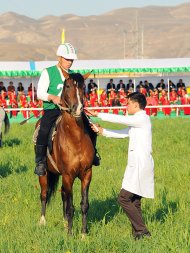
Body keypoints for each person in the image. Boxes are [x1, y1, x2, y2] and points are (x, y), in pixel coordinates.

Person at [86, 92, 154, 240]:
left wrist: (98, 113)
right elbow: (123, 133)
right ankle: (138, 235)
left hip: (140, 165)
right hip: (138, 164)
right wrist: (102, 131)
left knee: (123, 198)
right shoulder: (138, 121)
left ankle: (143, 231)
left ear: (136, 105)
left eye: (128, 103)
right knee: (134, 200)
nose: (126, 106)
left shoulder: (141, 118)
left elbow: (121, 120)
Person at [34, 42, 100, 176]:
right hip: (53, 110)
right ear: (59, 57)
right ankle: (40, 162)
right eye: (67, 59)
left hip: (71, 111)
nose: (70, 62)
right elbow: (39, 93)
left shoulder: (75, 75)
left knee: (90, 127)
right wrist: (52, 97)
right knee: (44, 130)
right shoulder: (48, 72)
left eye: (72, 60)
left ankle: (93, 155)